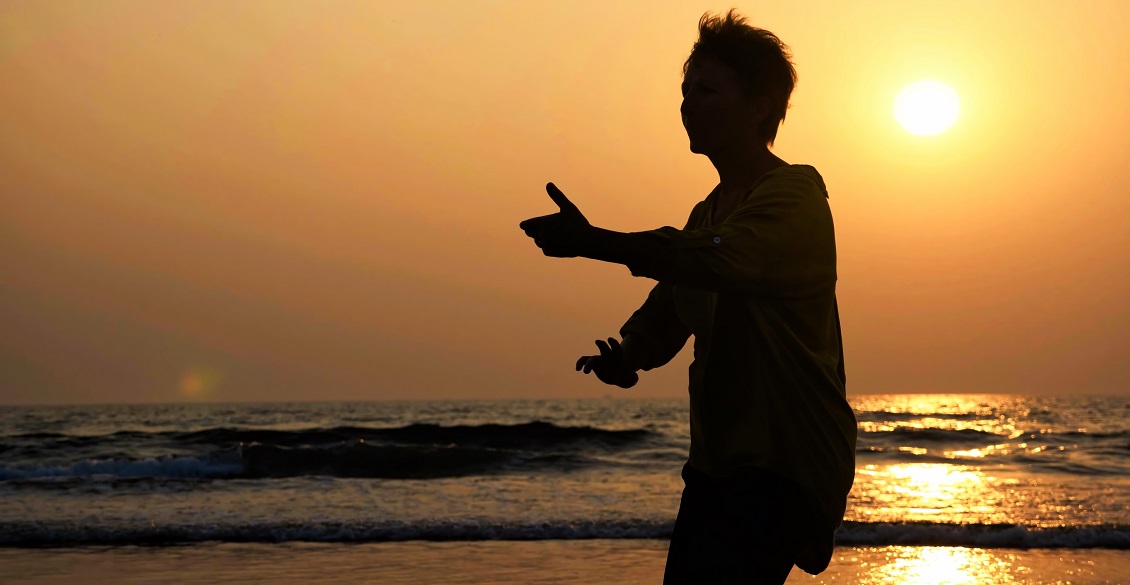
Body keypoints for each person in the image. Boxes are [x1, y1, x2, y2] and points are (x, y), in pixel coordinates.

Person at [519, 10, 856, 584]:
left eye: (706, 89)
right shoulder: (709, 210)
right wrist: (627, 354)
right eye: (685, 90)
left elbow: (709, 259)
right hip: (716, 464)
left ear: (761, 104)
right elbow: (673, 304)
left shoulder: (795, 195)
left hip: (782, 461)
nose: (687, 104)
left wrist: (593, 242)